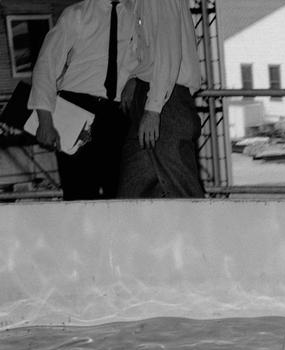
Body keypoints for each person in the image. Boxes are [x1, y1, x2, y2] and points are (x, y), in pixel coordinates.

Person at [28, 0, 137, 200]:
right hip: (75, 110)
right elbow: (46, 64)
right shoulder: (77, 13)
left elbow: (147, 60)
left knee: (121, 197)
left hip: (118, 115)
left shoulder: (138, 15)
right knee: (79, 196)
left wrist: (135, 80)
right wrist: (45, 120)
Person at [118, 0, 205, 198]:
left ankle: (203, 228)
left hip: (166, 100)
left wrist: (153, 109)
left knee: (183, 192)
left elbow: (167, 50)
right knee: (132, 194)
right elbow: (144, 47)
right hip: (153, 95)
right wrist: (135, 78)